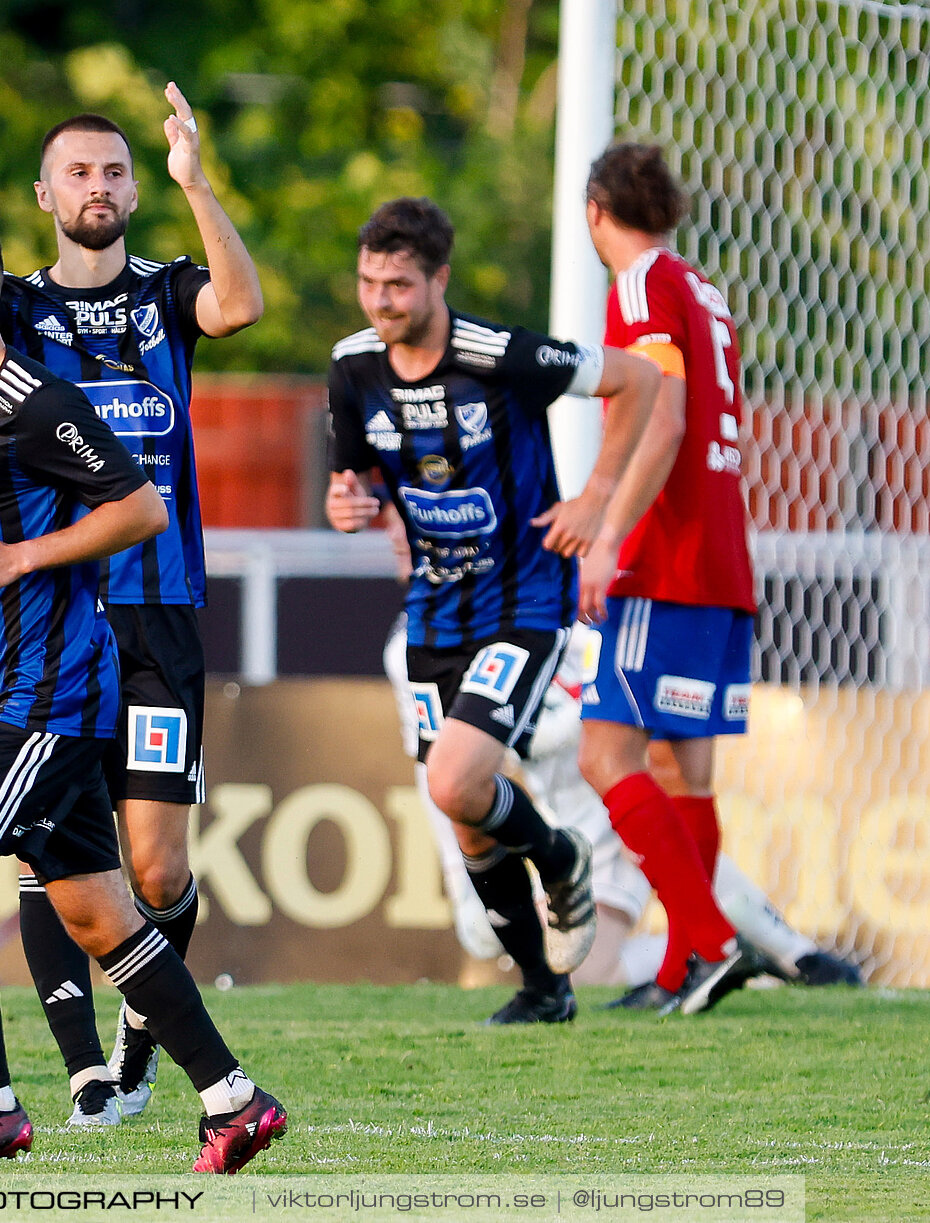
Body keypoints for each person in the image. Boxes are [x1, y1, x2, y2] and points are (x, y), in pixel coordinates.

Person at [0, 216, 285, 1176]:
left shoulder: (35, 401)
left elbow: (141, 505)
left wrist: (26, 553)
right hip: (8, 683)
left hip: (50, 693)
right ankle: (235, 1100)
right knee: (102, 919)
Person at [0, 85, 261, 1123]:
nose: (101, 186)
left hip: (163, 599)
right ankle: (91, 1066)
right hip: (61, 613)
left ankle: (144, 1043)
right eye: (81, 172)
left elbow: (243, 308)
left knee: (154, 860)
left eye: (117, 171)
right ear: (46, 192)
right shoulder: (17, 306)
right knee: (59, 841)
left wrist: (197, 183)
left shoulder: (166, 290)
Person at [325, 197, 663, 1025]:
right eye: (369, 282)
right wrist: (352, 505)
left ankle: (560, 853)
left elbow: (639, 376)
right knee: (466, 814)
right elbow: (356, 481)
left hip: (522, 602)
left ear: (439, 279)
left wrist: (596, 496)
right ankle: (543, 989)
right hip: (434, 611)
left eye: (399, 284)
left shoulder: (500, 354)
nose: (381, 301)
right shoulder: (353, 365)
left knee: (454, 778)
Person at [383, 612, 863, 992]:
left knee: (651, 817)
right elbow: (434, 769)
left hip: (608, 806)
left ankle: (768, 950)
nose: (401, 533)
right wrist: (462, 877)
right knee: (527, 949)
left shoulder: (548, 604)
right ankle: (745, 950)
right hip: (576, 824)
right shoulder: (412, 646)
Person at [572, 142, 759, 1016]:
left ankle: (711, 938)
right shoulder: (702, 289)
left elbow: (666, 412)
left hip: (666, 557)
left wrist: (608, 531)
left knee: (604, 754)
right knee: (686, 770)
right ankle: (689, 960)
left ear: (594, 210)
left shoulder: (643, 283)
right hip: (722, 556)